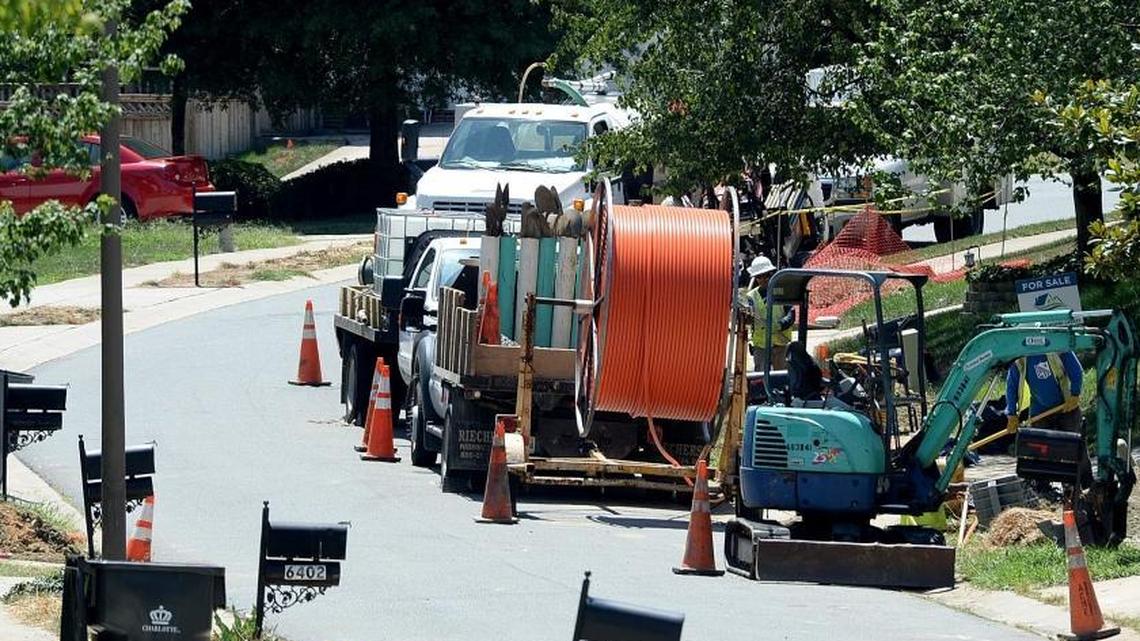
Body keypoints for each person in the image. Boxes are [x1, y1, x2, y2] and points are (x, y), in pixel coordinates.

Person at [1005, 351, 1083, 432]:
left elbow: (1075, 369)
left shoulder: (1056, 343)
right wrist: (1012, 414)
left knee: (1071, 442)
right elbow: (1012, 386)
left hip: (1066, 406)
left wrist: (1075, 394)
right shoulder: (1019, 354)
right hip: (1039, 413)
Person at [745, 255, 795, 372]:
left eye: (766, 275)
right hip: (761, 347)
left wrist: (782, 324)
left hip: (780, 344)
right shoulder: (751, 297)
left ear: (771, 274)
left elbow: (791, 313)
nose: (763, 279)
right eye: (759, 276)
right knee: (760, 378)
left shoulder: (781, 291)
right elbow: (748, 320)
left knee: (781, 377)